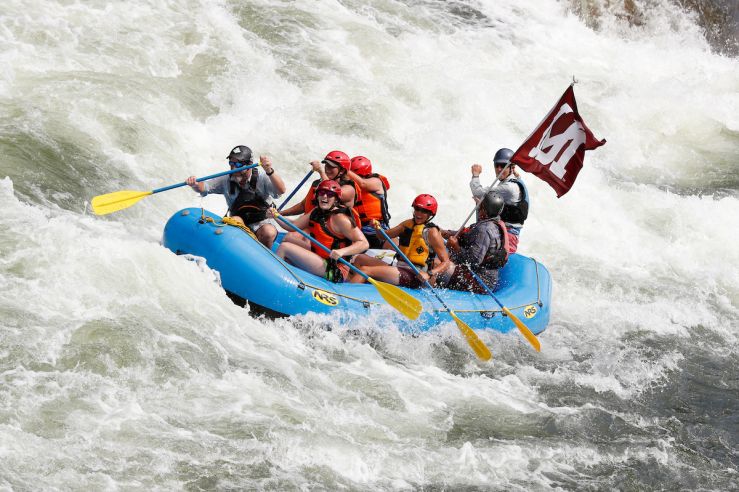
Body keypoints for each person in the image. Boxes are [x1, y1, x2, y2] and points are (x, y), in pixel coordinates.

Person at [187, 145, 286, 248]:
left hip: (262, 224)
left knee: (268, 232)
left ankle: (263, 255)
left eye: (238, 164)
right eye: (231, 163)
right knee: (235, 220)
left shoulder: (262, 177)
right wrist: (195, 184)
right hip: (240, 222)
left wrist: (269, 170)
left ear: (249, 165)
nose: (233, 168)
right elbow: (205, 187)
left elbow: (281, 190)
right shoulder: (226, 179)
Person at [269, 180, 368, 283]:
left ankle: (272, 280)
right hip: (319, 256)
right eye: (321, 193)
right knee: (288, 242)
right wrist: (276, 216)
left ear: (336, 199)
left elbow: (364, 243)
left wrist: (342, 251)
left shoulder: (340, 218)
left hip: (334, 268)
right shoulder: (317, 211)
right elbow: (293, 226)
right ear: (317, 196)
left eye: (329, 194)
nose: (324, 197)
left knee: (285, 247)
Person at [350, 194, 452, 289]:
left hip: (416, 274)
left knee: (364, 270)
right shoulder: (406, 224)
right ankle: (360, 286)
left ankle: (349, 296)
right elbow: (382, 236)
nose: (419, 213)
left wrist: (429, 274)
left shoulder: (432, 232)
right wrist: (377, 227)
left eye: (424, 211)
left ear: (430, 214)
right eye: (417, 209)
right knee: (360, 258)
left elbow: (446, 262)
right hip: (399, 266)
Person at [280, 150, 362, 250]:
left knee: (291, 238)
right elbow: (303, 206)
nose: (327, 169)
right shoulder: (318, 184)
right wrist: (281, 213)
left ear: (342, 171)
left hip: (331, 234)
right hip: (312, 225)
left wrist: (321, 171)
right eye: (326, 165)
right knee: (290, 237)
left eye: (331, 167)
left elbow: (333, 190)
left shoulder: (349, 189)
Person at [442, 192, 509, 293]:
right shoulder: (493, 223)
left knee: (438, 266)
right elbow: (467, 233)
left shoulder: (484, 229)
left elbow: (473, 261)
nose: (478, 206)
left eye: (480, 205)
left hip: (480, 281)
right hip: (481, 275)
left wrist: (455, 247)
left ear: (484, 210)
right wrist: (446, 233)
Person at [470, 148, 529, 253]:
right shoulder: (516, 180)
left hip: (507, 234)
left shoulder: (509, 187)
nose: (499, 168)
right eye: (496, 165)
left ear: (511, 167)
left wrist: (475, 175)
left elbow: (477, 192)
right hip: (504, 230)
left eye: (503, 165)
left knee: (482, 203)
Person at [346, 155, 391, 249]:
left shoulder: (376, 181)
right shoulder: (350, 186)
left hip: (377, 229)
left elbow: (363, 184)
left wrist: (345, 168)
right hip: (359, 229)